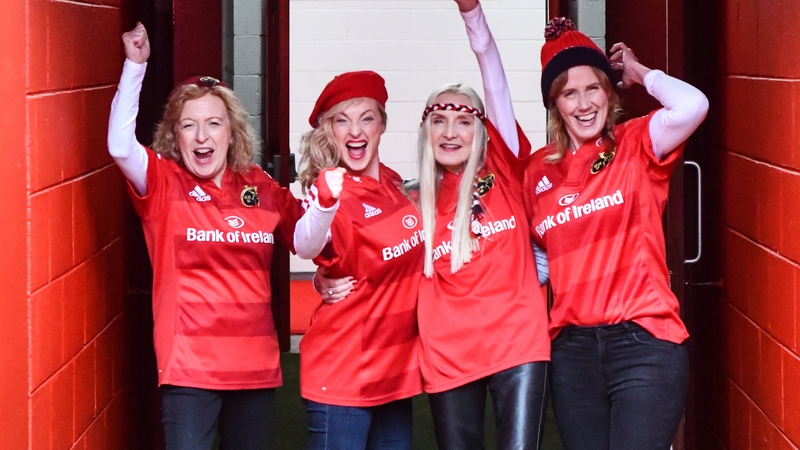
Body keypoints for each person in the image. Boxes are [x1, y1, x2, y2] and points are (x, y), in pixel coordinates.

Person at [108, 23, 308, 450]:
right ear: (173, 135)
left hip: (254, 366)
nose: (202, 136)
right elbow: (121, 147)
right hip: (189, 369)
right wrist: (135, 67)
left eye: (214, 124)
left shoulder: (261, 186)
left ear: (231, 132)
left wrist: (330, 266)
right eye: (189, 126)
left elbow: (309, 241)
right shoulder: (164, 183)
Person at [523, 18, 709, 450]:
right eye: (570, 92)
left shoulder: (635, 142)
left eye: (594, 88)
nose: (584, 103)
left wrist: (639, 71)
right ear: (555, 104)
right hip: (572, 352)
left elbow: (692, 106)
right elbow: (538, 259)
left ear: (609, 92)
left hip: (643, 344)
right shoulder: (537, 172)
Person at [413, 1, 550, 448]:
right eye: (439, 121)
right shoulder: (412, 201)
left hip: (519, 345)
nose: (450, 132)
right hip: (448, 355)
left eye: (463, 121)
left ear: (484, 130)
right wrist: (323, 279)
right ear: (427, 132)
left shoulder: (504, 168)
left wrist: (473, 15)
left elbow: (495, 79)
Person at [293, 70, 425, 450]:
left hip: (394, 371)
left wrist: (322, 277)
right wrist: (323, 204)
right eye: (342, 120)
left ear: (382, 123)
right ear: (328, 131)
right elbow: (306, 242)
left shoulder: (391, 181)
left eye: (366, 117)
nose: (355, 131)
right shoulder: (330, 194)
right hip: (344, 372)